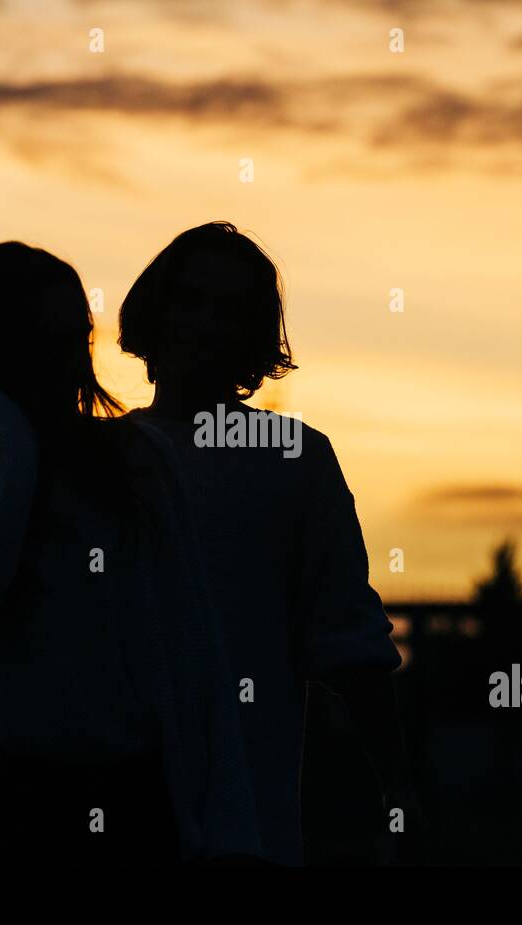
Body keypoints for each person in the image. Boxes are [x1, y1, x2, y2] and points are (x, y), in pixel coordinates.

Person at [0, 241, 261, 866]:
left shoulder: (135, 462)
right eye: (45, 342)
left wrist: (229, 833)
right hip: (9, 818)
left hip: (134, 807)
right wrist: (15, 448)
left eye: (77, 339)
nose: (69, 364)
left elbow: (195, 654)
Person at [120, 222, 423, 865]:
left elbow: (352, 643)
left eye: (227, 311)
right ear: (157, 309)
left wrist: (397, 790)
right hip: (115, 815)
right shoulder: (99, 462)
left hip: (249, 828)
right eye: (189, 301)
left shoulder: (294, 461)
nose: (203, 326)